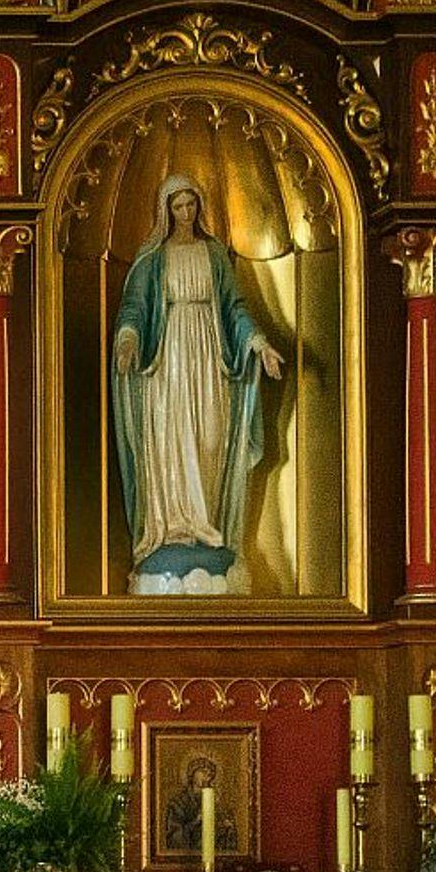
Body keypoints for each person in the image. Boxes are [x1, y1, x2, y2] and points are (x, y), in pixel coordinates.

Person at [111, 174, 287, 594]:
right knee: (172, 442)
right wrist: (128, 339)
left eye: (191, 205)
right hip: (167, 364)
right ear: (166, 211)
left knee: (209, 438)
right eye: (178, 207)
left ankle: (205, 525)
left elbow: (234, 308)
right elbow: (134, 307)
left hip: (209, 360)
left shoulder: (214, 254)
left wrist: (259, 344)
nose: (186, 213)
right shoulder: (154, 257)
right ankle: (172, 530)